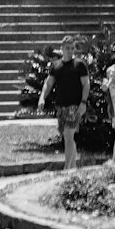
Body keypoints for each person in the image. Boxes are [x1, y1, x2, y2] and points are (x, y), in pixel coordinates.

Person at [38, 35, 90, 170]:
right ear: (62, 49)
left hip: (75, 106)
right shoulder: (56, 66)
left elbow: (86, 84)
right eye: (67, 48)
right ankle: (73, 168)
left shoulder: (79, 65)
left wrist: (83, 102)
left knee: (68, 135)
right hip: (61, 106)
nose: (70, 51)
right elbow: (48, 84)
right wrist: (42, 98)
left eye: (72, 48)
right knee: (68, 137)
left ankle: (67, 169)